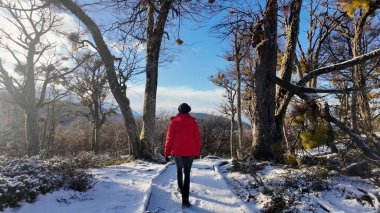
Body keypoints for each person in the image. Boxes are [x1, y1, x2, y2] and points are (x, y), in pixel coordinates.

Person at [164, 103, 201, 208]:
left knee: (179, 169)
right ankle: (185, 200)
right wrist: (197, 152)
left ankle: (180, 188)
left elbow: (169, 139)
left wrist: (167, 153)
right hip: (190, 152)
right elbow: (197, 139)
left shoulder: (174, 122)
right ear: (188, 111)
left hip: (177, 152)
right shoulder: (193, 123)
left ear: (179, 110)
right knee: (187, 173)